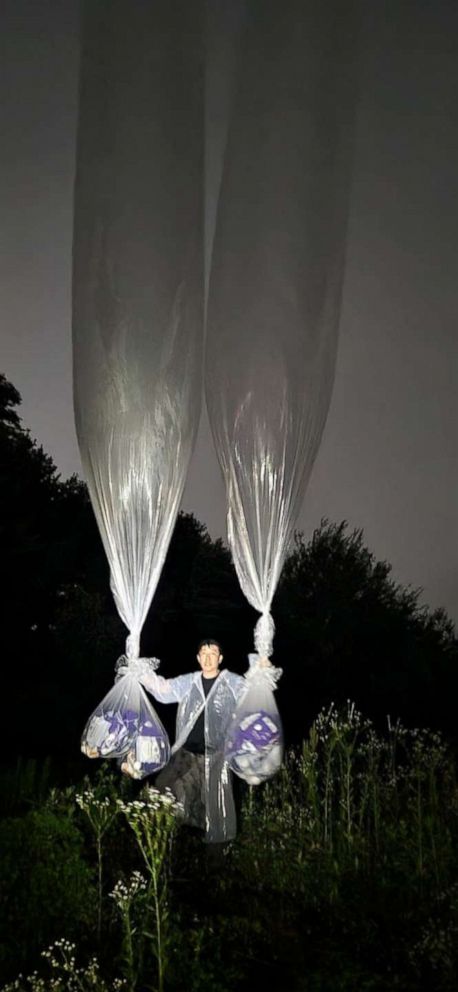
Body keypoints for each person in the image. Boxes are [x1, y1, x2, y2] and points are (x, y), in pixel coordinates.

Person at [122, 639, 273, 844]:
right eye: (204, 653)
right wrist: (139, 671)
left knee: (214, 812)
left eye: (213, 653)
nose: (208, 658)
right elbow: (163, 689)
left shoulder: (231, 682)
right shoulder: (190, 682)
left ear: (220, 658)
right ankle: (163, 845)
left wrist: (261, 667)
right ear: (198, 658)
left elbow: (251, 689)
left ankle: (213, 860)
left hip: (216, 758)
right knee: (163, 797)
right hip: (186, 756)